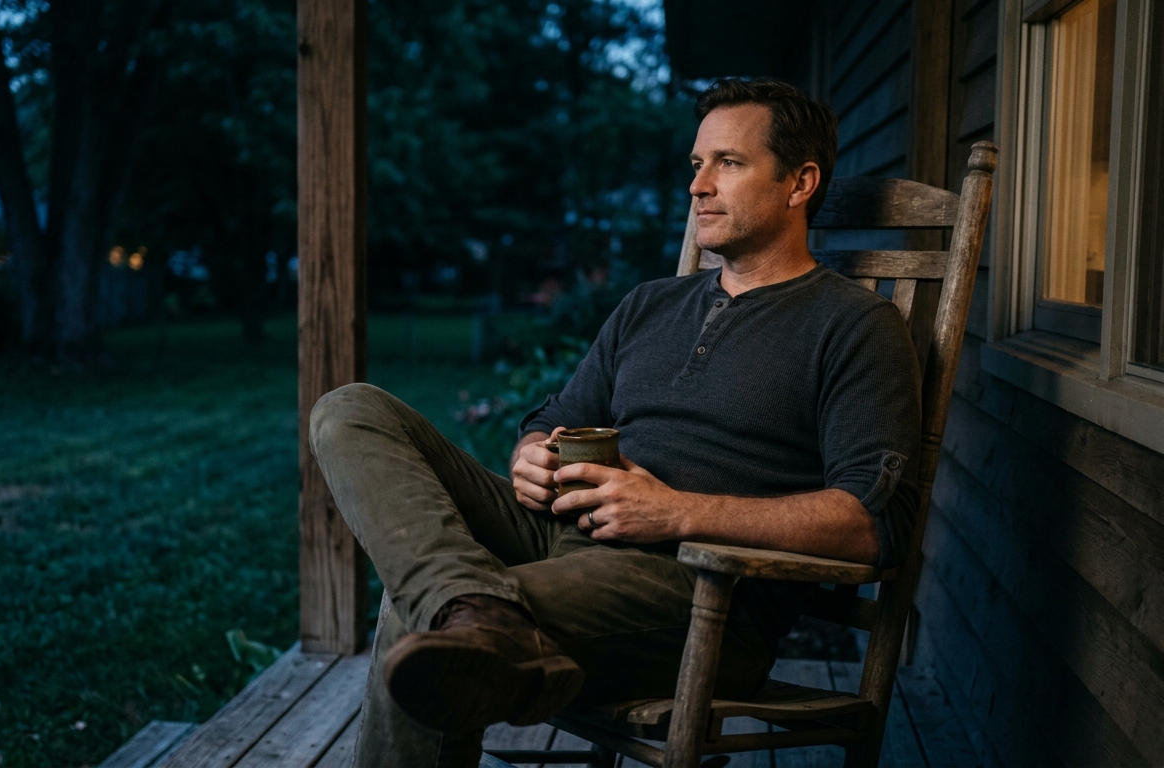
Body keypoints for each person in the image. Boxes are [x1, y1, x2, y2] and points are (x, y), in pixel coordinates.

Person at [309, 78, 921, 768]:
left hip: (696, 591)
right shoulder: (651, 304)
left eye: (729, 162)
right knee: (350, 409)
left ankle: (472, 614)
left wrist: (676, 513)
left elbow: (872, 524)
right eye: (697, 165)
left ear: (799, 182)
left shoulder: (853, 327)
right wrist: (532, 453)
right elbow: (556, 418)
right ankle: (479, 609)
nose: (698, 186)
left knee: (419, 615)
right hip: (563, 536)